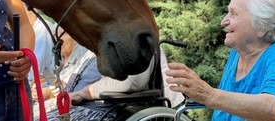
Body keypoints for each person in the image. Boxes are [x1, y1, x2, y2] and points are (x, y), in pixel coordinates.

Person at [33, 32, 184, 121]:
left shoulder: (134, 37)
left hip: (105, 109)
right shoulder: (98, 43)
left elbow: (132, 83)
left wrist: (83, 93)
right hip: (79, 103)